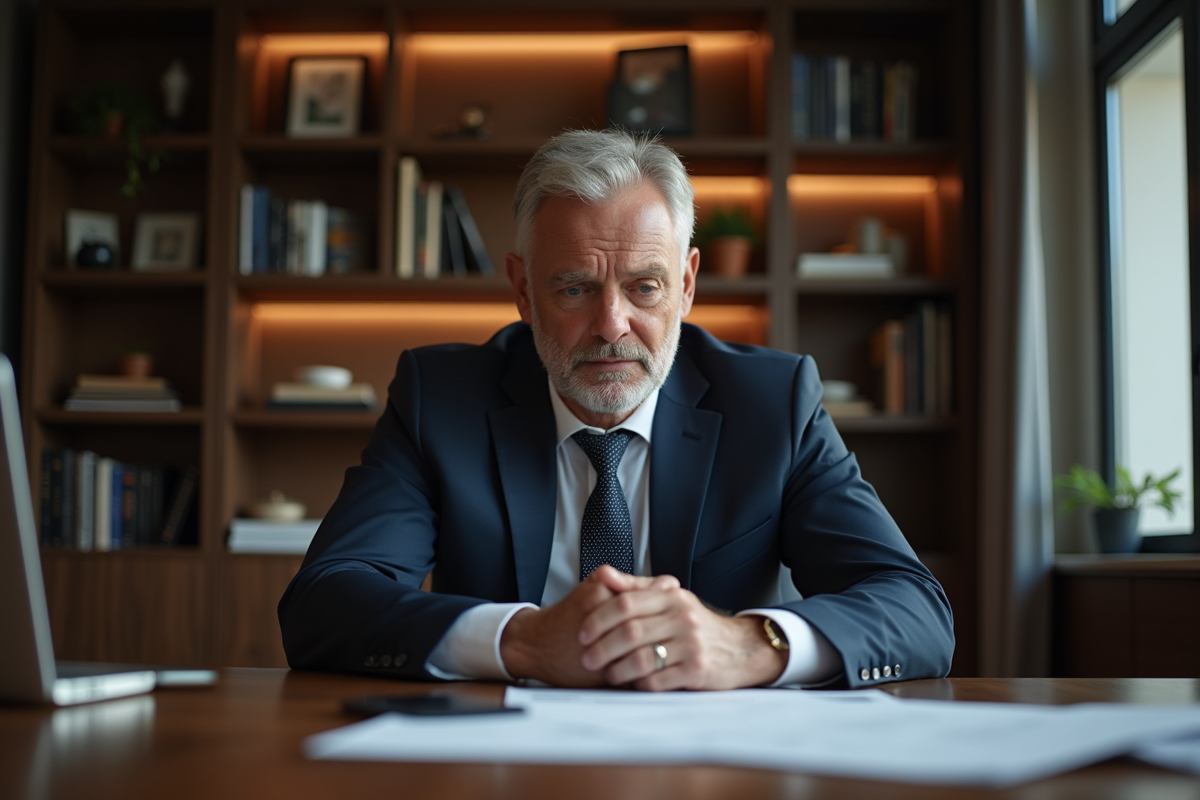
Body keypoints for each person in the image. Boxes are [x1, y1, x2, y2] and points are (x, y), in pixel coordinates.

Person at [278, 129, 954, 691]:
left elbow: (914, 609)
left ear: (686, 286)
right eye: (574, 288)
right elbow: (324, 603)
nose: (611, 325)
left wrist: (749, 644)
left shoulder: (772, 405)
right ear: (522, 290)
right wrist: (519, 639)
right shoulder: (441, 397)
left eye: (645, 287)